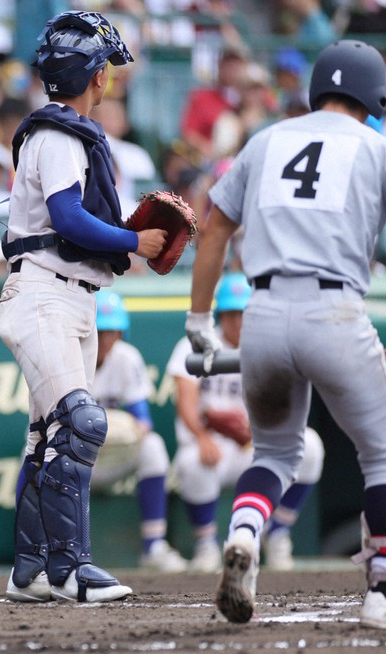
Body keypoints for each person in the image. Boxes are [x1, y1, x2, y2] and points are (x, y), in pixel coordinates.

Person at [185, 39, 386, 628]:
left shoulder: (268, 138)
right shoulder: (375, 147)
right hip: (334, 310)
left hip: (264, 311)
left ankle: (245, 532)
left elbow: (215, 225)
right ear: (374, 95)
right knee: (380, 454)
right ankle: (380, 590)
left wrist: (199, 320)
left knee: (275, 451)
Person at [0, 10, 166, 604]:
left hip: (67, 296)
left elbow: (69, 217)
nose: (109, 81)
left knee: (47, 438)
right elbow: (67, 217)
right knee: (81, 424)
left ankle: (30, 571)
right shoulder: (61, 133)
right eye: (105, 72)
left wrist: (120, 236)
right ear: (94, 76)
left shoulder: (57, 132)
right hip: (44, 292)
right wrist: (132, 241)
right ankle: (70, 570)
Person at [168, 272, 325, 573]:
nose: (239, 321)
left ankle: (277, 534)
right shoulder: (197, 344)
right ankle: (206, 546)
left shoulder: (270, 346)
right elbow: (185, 401)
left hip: (256, 444)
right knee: (191, 461)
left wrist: (256, 429)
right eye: (232, 313)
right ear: (220, 315)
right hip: (214, 447)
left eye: (244, 313)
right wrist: (201, 434)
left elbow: (286, 403)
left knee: (311, 446)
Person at [90, 288, 187, 573]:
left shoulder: (126, 357)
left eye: (113, 331)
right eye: (101, 330)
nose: (107, 338)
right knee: (33, 454)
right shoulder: (69, 356)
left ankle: (153, 546)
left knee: (152, 446)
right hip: (75, 459)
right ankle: (41, 551)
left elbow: (142, 420)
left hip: (113, 455)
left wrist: (120, 429)